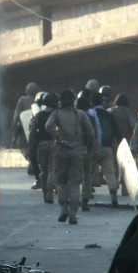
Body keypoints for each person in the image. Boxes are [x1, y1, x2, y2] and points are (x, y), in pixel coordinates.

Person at [45, 90, 96, 225]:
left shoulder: (56, 113)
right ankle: (73, 213)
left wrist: (58, 137)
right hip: (77, 152)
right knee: (75, 183)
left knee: (61, 181)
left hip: (61, 151)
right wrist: (88, 147)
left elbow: (48, 126)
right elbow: (91, 132)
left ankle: (64, 208)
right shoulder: (81, 114)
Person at [28, 92, 58, 204]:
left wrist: (31, 147)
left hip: (41, 145)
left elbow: (32, 132)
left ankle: (45, 193)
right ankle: (50, 192)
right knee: (52, 169)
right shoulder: (56, 115)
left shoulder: (39, 115)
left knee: (43, 170)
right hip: (54, 144)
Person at [92, 91, 121, 207]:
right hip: (107, 147)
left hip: (93, 148)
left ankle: (85, 197)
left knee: (88, 172)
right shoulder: (108, 115)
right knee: (110, 173)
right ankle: (113, 196)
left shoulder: (90, 114)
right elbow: (117, 131)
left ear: (91, 102)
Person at [77, 90, 102, 211]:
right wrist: (95, 148)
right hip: (87, 149)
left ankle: (74, 197)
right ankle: (85, 199)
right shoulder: (91, 117)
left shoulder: (73, 117)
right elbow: (95, 133)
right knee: (87, 175)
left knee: (74, 175)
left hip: (74, 149)